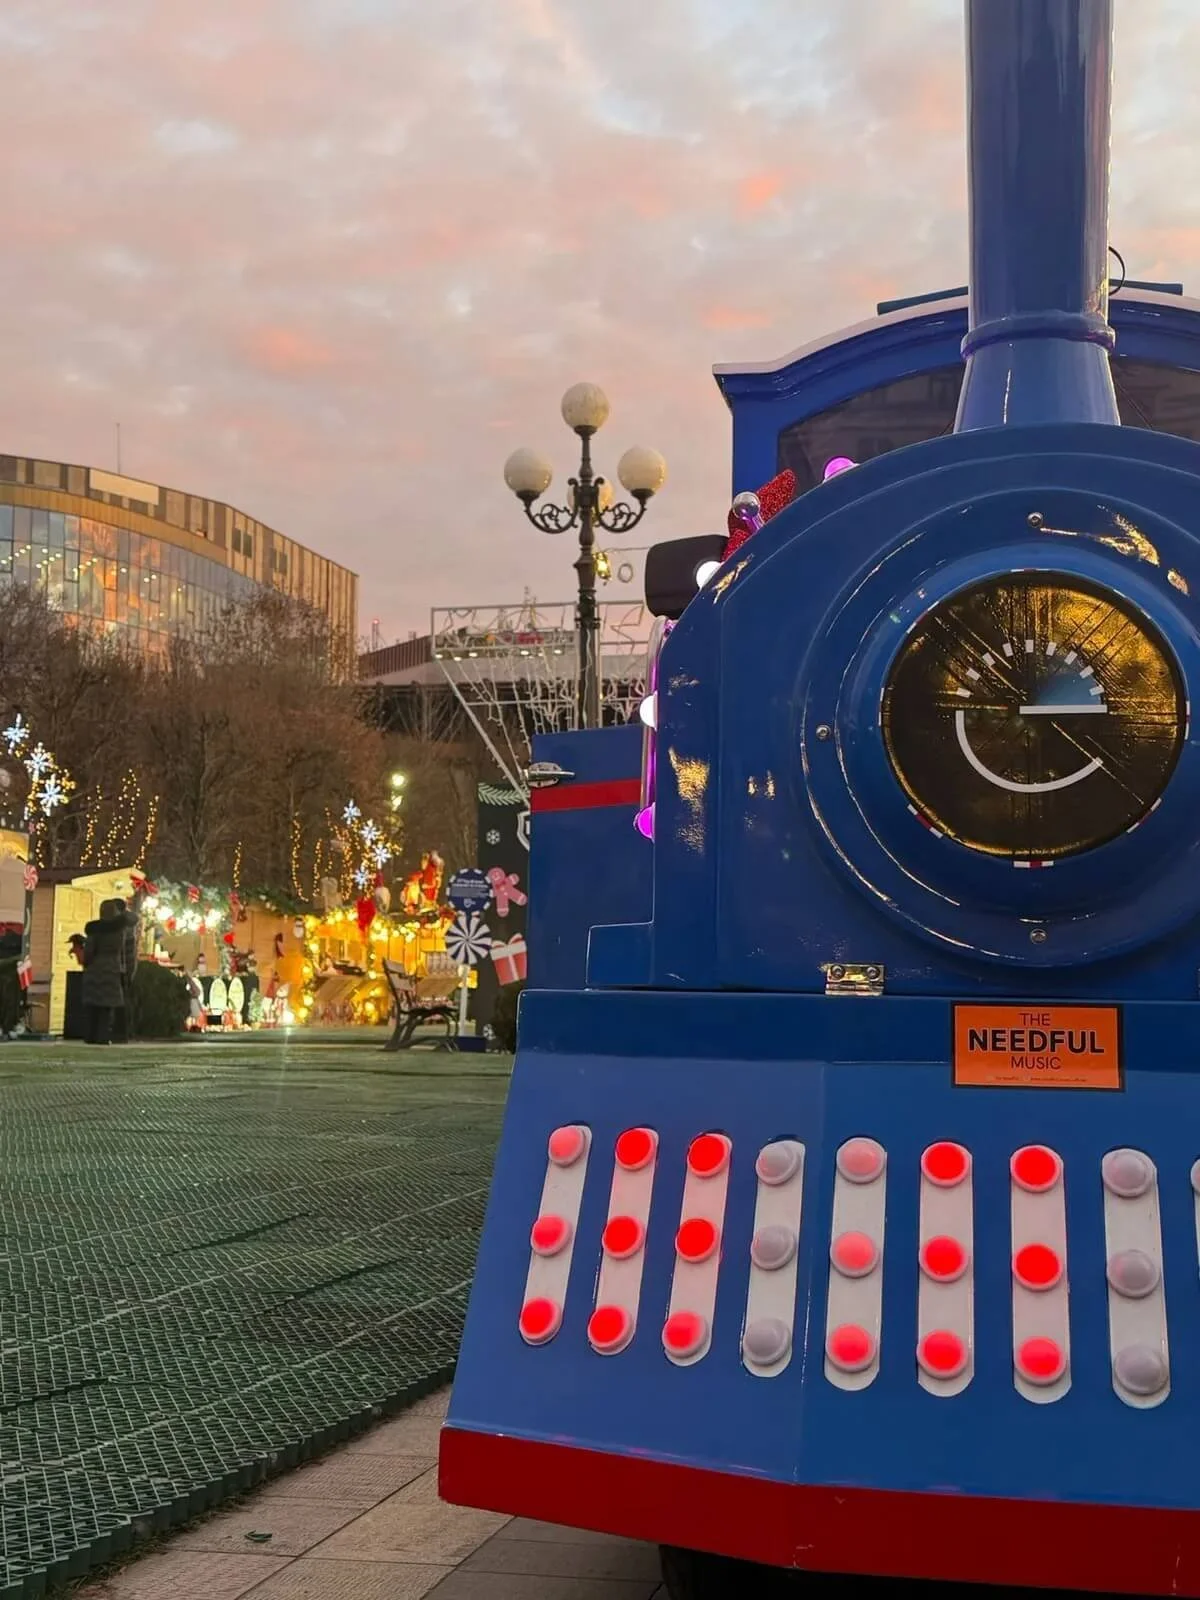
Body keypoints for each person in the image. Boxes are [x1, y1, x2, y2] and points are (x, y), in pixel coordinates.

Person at [80, 898, 131, 1046]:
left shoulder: (95, 930)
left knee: (92, 1007)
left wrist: (86, 962)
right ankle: (103, 1036)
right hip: (112, 969)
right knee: (106, 1008)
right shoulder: (119, 930)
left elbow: (89, 951)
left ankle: (90, 1036)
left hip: (95, 969)